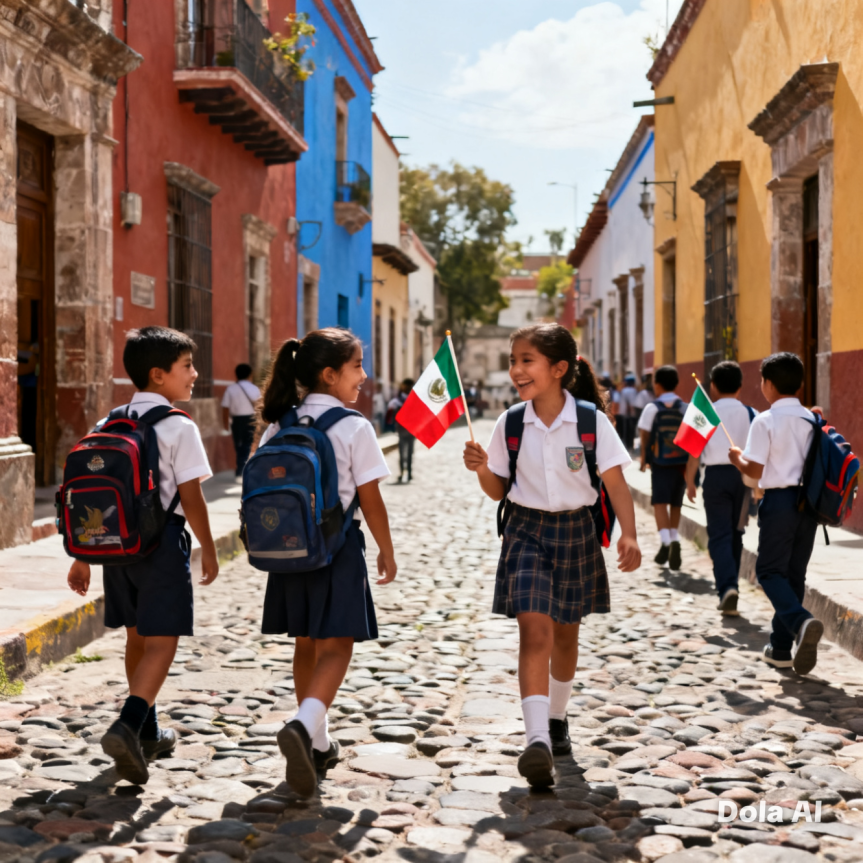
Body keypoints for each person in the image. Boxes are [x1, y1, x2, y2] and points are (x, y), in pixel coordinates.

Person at [463, 323, 641, 788]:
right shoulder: (511, 423)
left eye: (527, 360)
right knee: (534, 630)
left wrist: (630, 535)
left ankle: (557, 717)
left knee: (566, 635)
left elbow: (617, 483)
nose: (517, 369)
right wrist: (483, 470)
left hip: (577, 532)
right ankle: (537, 739)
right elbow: (498, 489)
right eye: (513, 359)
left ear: (559, 369)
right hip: (525, 531)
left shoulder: (590, 422)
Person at [67, 326, 219, 785]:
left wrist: (82, 556)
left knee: (136, 638)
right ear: (158, 374)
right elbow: (191, 498)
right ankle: (128, 723)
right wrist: (208, 548)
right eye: (187, 366)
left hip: (116, 552)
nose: (195, 374)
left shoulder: (108, 422)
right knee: (163, 639)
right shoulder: (178, 426)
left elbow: (90, 494)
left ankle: (149, 732)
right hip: (162, 548)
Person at [256, 328, 397, 797]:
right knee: (337, 647)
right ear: (330, 374)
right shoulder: (355, 426)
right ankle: (302, 726)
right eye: (357, 367)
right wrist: (386, 547)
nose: (364, 376)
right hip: (336, 551)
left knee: (306, 644)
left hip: (290, 553)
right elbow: (371, 498)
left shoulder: (279, 424)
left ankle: (317, 743)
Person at [729, 352, 823, 674]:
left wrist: (737, 458)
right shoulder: (812, 420)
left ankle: (800, 622)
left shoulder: (766, 420)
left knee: (769, 572)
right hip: (809, 506)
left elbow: (754, 471)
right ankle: (781, 647)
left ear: (768, 384)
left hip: (780, 502)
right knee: (794, 574)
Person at [684, 361, 756, 616]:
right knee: (736, 532)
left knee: (719, 534)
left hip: (715, 477)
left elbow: (694, 452)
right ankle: (730, 585)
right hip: (743, 477)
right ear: (740, 386)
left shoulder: (705, 413)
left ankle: (727, 586)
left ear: (712, 386)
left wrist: (690, 481)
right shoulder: (752, 413)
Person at [638, 365, 687, 571]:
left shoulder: (652, 408)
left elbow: (644, 435)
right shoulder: (685, 408)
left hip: (660, 463)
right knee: (676, 503)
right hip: (681, 464)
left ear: (656, 385)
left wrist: (643, 459)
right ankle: (675, 538)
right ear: (676, 385)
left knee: (659, 503)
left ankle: (666, 542)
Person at [221, 363, 261, 477]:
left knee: (238, 445)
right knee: (248, 444)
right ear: (250, 374)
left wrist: (225, 425)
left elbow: (225, 408)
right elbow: (259, 407)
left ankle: (240, 468)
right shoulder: (255, 389)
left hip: (237, 421)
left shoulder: (231, 389)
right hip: (251, 419)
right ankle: (243, 468)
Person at [393, 378, 416, 483]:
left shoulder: (415, 400)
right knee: (402, 454)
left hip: (411, 431)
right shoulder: (398, 400)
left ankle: (409, 473)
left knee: (410, 453)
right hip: (402, 431)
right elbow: (395, 415)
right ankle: (402, 473)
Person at [619, 373, 639, 450]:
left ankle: (627, 446)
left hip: (625, 414)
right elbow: (632, 403)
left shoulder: (624, 390)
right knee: (632, 431)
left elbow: (627, 403)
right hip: (632, 414)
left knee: (626, 431)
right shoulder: (634, 390)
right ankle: (631, 445)